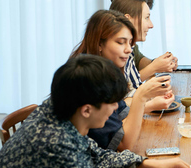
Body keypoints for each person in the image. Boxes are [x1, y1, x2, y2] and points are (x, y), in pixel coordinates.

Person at [0, 55, 191, 168]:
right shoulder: (54, 145)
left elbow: (96, 155)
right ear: (87, 110)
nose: (117, 109)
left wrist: (150, 164)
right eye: (113, 103)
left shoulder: (57, 112)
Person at [70, 10, 173, 150]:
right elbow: (124, 144)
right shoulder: (88, 78)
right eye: (120, 42)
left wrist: (149, 103)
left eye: (130, 43)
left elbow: (120, 110)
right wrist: (142, 96)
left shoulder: (103, 70)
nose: (129, 49)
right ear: (99, 44)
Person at [110, 0, 178, 76]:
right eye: (146, 17)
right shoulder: (111, 46)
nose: (151, 25)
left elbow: (138, 61)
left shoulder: (129, 44)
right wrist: (154, 67)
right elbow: (125, 85)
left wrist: (160, 64)